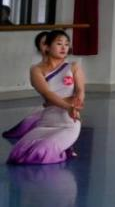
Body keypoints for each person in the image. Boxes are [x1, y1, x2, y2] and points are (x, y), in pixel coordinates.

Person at [7, 30, 84, 165]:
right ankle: (64, 148)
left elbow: (80, 90)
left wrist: (76, 103)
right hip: (47, 122)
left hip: (68, 122)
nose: (63, 47)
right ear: (47, 47)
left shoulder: (73, 67)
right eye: (59, 44)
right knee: (17, 155)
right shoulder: (36, 69)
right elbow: (47, 94)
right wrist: (67, 105)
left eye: (66, 44)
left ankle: (64, 150)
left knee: (40, 153)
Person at [3, 31, 50, 141]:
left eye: (50, 42)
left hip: (64, 107)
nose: (48, 46)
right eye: (44, 43)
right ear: (39, 48)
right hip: (51, 106)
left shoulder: (67, 66)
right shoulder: (36, 69)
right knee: (28, 125)